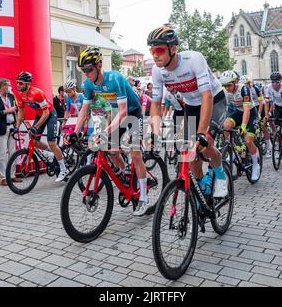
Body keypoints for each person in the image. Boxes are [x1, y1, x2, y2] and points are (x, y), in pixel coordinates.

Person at [147, 26, 228, 198]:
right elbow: (155, 104)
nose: (155, 55)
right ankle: (200, 187)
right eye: (152, 50)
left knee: (205, 145)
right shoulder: (157, 71)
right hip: (191, 105)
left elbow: (207, 97)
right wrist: (154, 134)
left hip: (214, 99)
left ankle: (220, 175)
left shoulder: (194, 59)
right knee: (187, 152)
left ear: (173, 49)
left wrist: (201, 133)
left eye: (159, 50)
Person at [68, 47, 149, 216]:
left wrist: (104, 132)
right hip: (116, 113)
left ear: (98, 65)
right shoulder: (89, 84)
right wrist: (75, 132)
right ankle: (123, 171)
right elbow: (84, 110)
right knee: (111, 150)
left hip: (132, 113)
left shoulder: (115, 78)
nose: (86, 73)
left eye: (89, 69)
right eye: (83, 70)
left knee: (136, 154)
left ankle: (144, 197)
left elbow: (124, 112)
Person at [15, 72, 69, 183]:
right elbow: (20, 112)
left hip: (50, 114)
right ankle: (52, 153)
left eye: (20, 83)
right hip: (40, 114)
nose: (18, 85)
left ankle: (64, 169)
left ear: (28, 84)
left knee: (52, 143)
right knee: (34, 141)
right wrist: (16, 127)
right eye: (17, 82)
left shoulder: (37, 93)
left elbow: (46, 113)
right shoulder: (20, 94)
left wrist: (36, 126)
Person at [221, 70, 261, 181]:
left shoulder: (243, 89)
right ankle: (230, 149)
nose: (227, 88)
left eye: (229, 85)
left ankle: (255, 164)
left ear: (236, 82)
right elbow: (223, 108)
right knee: (225, 126)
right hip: (238, 112)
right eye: (225, 85)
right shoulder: (225, 91)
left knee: (248, 141)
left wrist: (243, 126)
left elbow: (247, 110)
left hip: (250, 113)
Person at [0, 78, 22, 186]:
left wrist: (17, 123)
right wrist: (6, 111)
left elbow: (15, 110)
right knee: (2, 154)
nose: (10, 87)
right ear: (3, 86)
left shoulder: (11, 96)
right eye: (9, 85)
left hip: (12, 127)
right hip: (0, 128)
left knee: (12, 152)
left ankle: (12, 175)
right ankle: (3, 177)